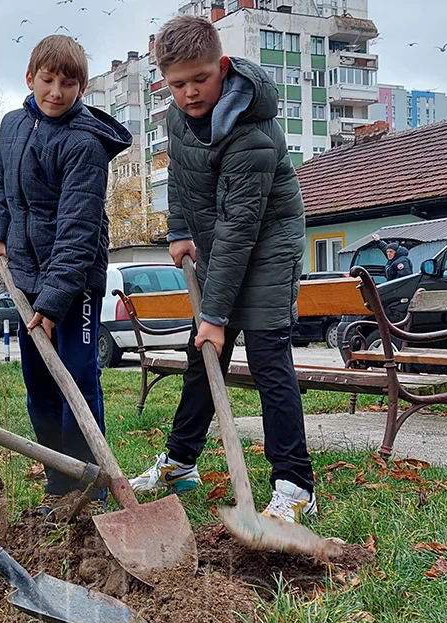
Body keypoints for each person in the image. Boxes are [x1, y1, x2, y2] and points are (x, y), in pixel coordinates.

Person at [128, 16, 318, 525]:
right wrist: (178, 231)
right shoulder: (176, 117)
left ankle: (295, 484)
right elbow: (183, 182)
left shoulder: (251, 130)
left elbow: (241, 226)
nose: (190, 93)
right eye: (178, 83)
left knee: (266, 359)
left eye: (201, 79)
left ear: (223, 67)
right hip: (221, 240)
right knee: (203, 356)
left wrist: (213, 313)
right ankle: (180, 463)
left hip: (267, 243)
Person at [0, 35, 132, 514]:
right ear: (30, 79)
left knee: (77, 382)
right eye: (47, 80)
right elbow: (1, 187)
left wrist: (51, 305)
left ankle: (90, 489)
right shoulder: (12, 126)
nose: (55, 92)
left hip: (75, 281)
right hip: (26, 276)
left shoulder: (84, 144)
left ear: (82, 88)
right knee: (41, 386)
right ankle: (59, 485)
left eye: (68, 84)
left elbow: (77, 230)